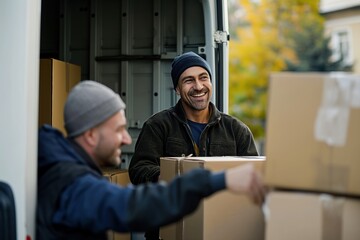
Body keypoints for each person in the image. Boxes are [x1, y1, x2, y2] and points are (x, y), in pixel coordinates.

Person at [37, 80, 266, 240]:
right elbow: (135, 205)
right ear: (90, 135)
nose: (126, 138)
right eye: (118, 130)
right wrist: (219, 180)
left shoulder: (60, 165)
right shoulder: (72, 185)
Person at [128, 52, 260, 239]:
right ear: (177, 89)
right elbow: (138, 170)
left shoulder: (236, 129)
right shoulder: (158, 125)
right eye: (188, 80)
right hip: (170, 228)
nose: (198, 87)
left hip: (222, 228)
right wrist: (173, 175)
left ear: (211, 82)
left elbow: (252, 175)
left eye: (203, 77)